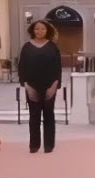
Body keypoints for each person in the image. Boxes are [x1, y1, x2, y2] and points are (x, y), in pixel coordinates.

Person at [18, 19, 62, 153]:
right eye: (37, 29)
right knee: (34, 116)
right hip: (32, 86)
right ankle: (34, 145)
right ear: (33, 30)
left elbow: (57, 68)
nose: (39, 31)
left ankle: (49, 145)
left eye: (42, 29)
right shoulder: (26, 47)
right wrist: (26, 85)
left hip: (50, 86)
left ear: (47, 30)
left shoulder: (52, 47)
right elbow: (22, 67)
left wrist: (54, 85)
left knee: (49, 115)